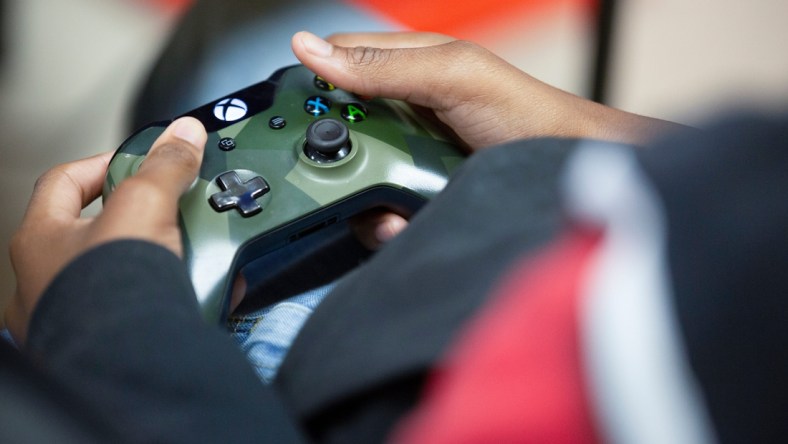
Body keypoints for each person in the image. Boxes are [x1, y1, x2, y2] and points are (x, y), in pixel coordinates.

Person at [3, 31, 788, 443]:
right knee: (293, 62)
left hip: (294, 393)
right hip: (506, 238)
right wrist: (581, 131)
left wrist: (102, 323)